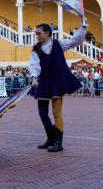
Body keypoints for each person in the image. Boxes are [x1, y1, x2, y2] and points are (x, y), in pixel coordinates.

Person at [29, 18, 87, 152]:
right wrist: (33, 77)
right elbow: (34, 65)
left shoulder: (59, 43)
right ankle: (50, 138)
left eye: (39, 33)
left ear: (48, 33)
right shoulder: (36, 49)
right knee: (42, 113)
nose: (37, 36)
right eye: (36, 34)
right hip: (43, 82)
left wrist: (83, 28)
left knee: (56, 113)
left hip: (57, 81)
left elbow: (75, 41)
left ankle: (58, 142)